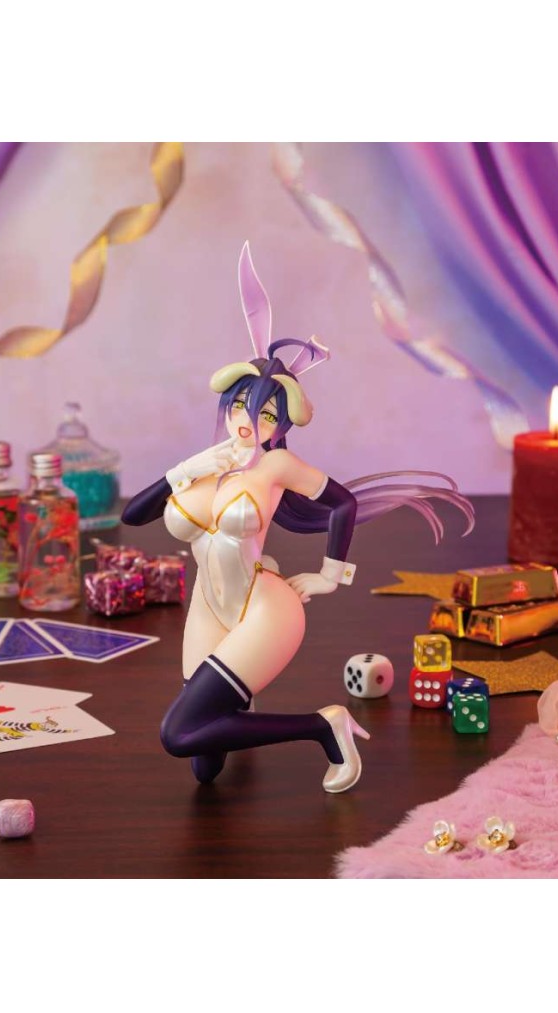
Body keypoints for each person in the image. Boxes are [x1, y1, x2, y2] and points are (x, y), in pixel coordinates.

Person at [122, 243, 473, 792]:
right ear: (227, 405)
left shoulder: (277, 465)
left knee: (178, 733)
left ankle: (324, 727)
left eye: (266, 414)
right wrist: (185, 470)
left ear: (281, 424)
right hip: (209, 606)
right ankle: (244, 696)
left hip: (265, 607)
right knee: (204, 762)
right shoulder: (205, 466)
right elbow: (133, 514)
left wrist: (331, 575)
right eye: (242, 406)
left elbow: (343, 503)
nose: (249, 422)